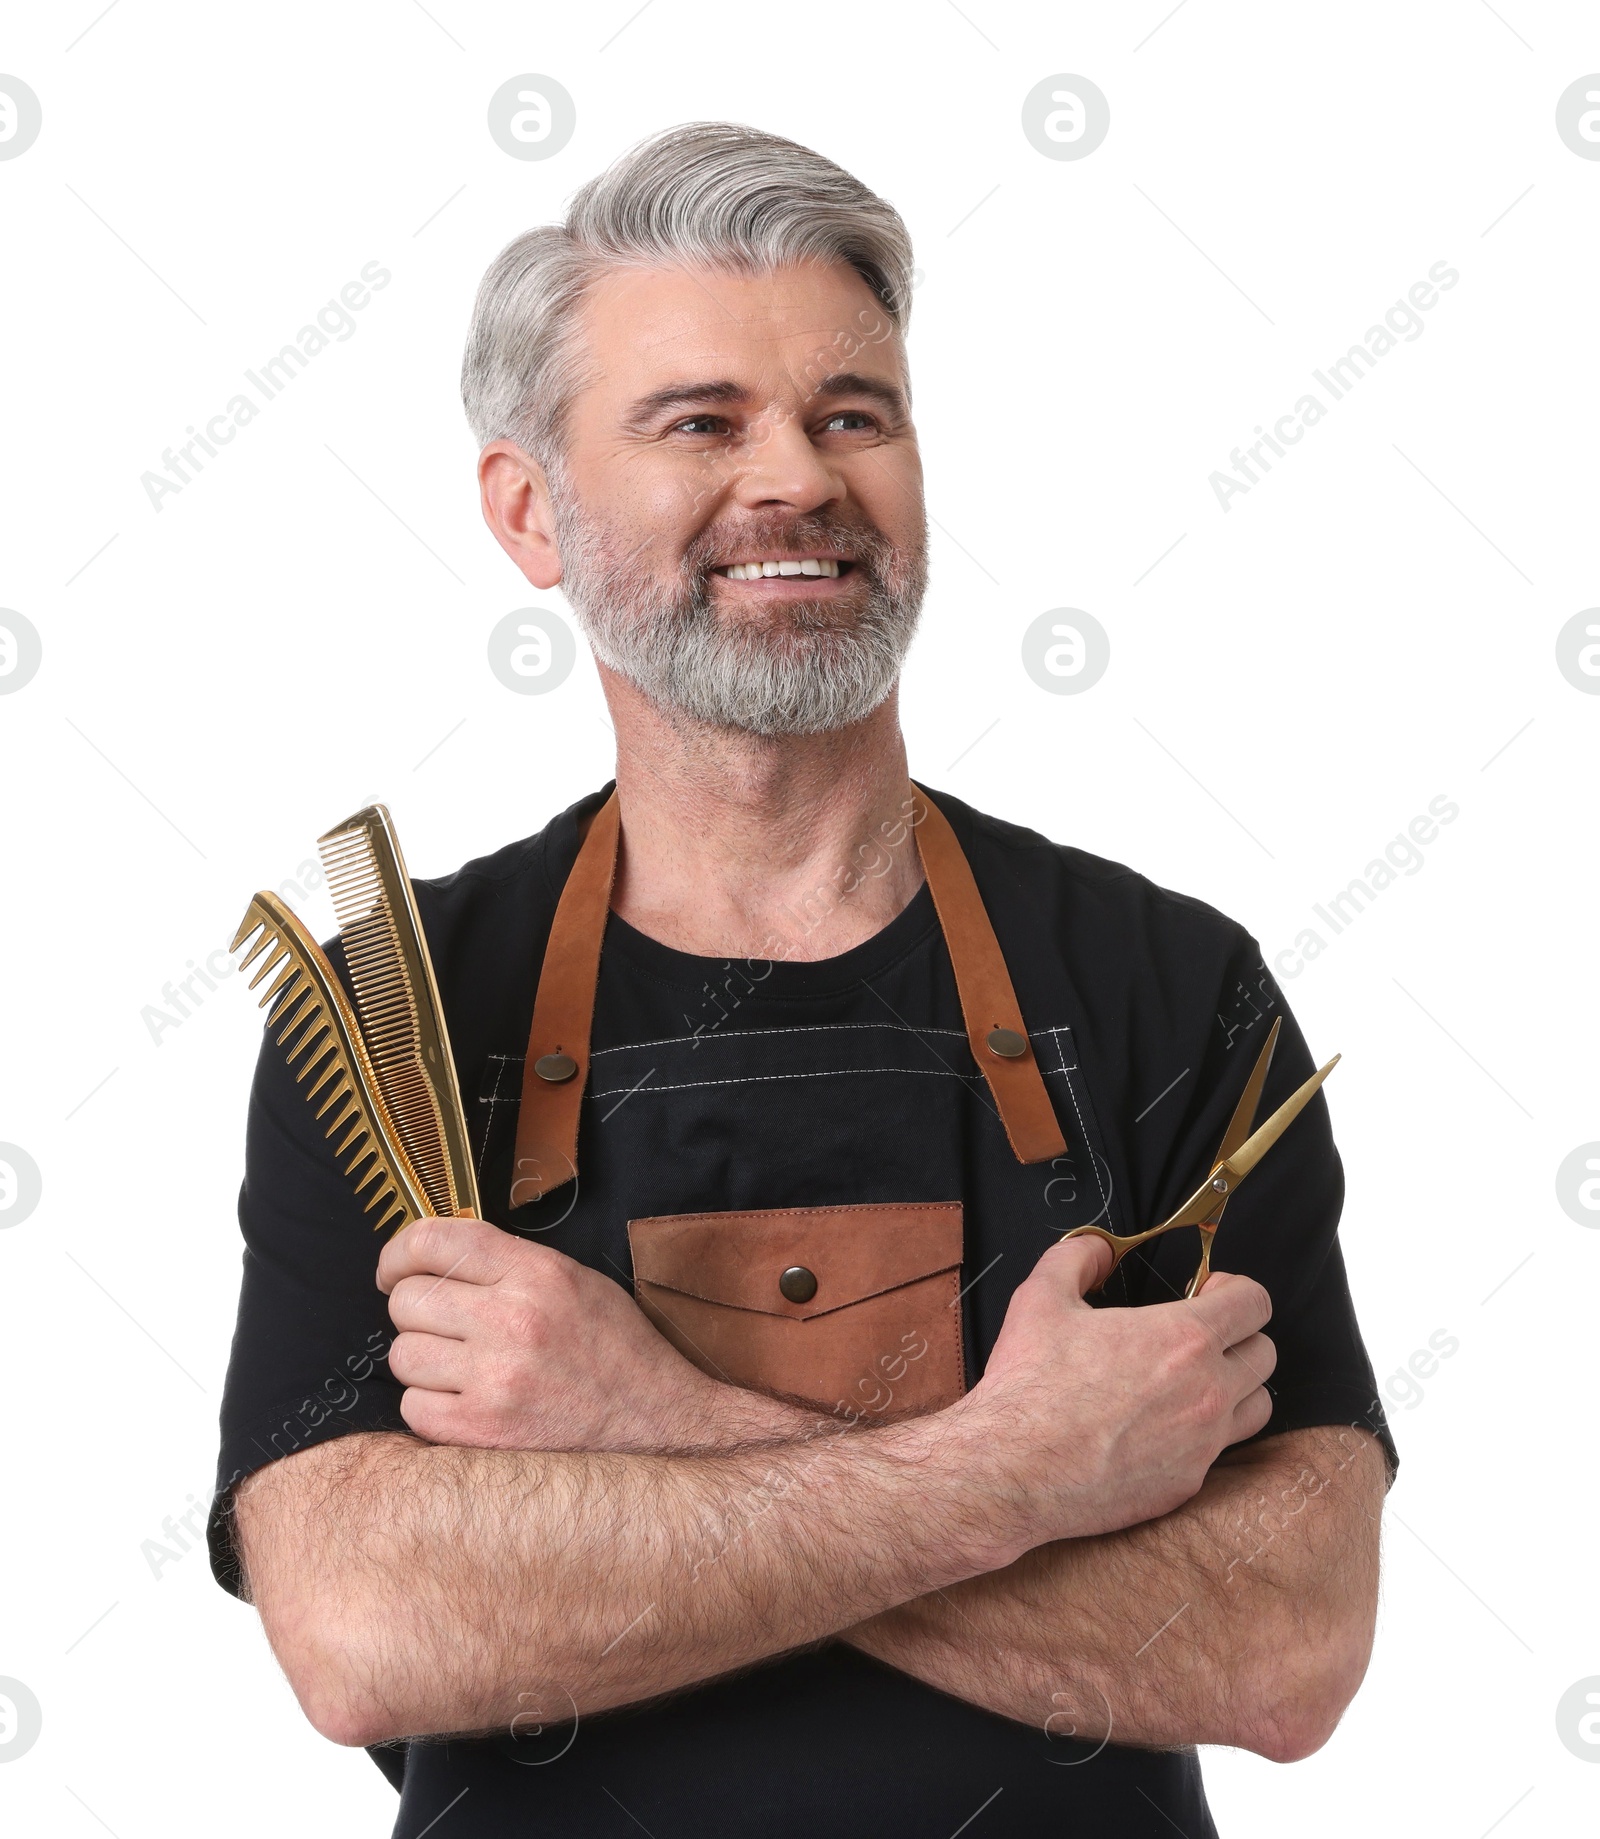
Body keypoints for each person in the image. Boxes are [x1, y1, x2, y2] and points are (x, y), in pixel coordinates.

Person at [207, 122, 1396, 1839]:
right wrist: (1025, 1479)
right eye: (702, 422)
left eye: (855, 415)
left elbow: (1291, 1644)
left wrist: (644, 1421)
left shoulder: (1164, 987)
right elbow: (370, 1629)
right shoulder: (404, 1013)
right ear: (529, 512)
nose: (801, 481)